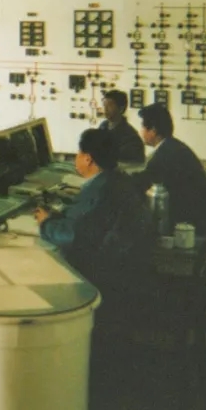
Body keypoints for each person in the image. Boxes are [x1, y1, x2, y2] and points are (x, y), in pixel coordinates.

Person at [33, 128, 154, 298]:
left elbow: (74, 236)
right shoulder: (118, 179)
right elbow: (87, 221)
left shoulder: (99, 190)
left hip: (101, 274)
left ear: (88, 159)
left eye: (79, 152)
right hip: (125, 267)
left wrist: (46, 223)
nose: (77, 157)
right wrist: (58, 216)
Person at [131, 103, 206, 237]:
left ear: (153, 130)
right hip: (200, 217)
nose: (141, 132)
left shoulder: (163, 155)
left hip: (187, 225)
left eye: (142, 127)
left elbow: (142, 184)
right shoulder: (174, 146)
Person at [98, 90, 145, 163]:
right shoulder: (103, 126)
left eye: (109, 105)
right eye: (104, 105)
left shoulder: (131, 136)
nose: (105, 109)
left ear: (121, 109)